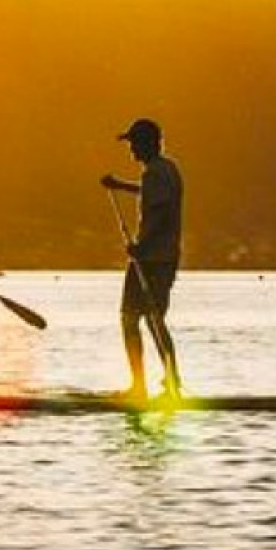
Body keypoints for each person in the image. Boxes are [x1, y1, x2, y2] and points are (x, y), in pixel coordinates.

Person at [101, 117, 184, 400]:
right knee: (152, 320)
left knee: (133, 319)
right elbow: (149, 193)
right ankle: (170, 382)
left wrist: (140, 245)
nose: (131, 149)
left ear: (148, 143)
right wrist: (119, 186)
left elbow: (160, 213)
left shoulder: (156, 173)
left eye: (134, 143)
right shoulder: (165, 169)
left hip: (152, 260)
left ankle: (142, 387)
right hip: (161, 258)